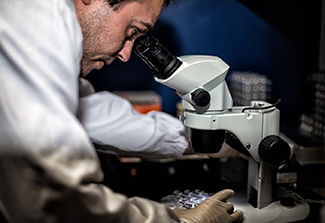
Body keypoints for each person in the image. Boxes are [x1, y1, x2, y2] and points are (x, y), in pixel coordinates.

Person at [0, 0, 243, 222]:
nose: (126, 55)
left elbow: (94, 114)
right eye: (132, 32)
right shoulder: (35, 19)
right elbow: (57, 193)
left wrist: (203, 140)